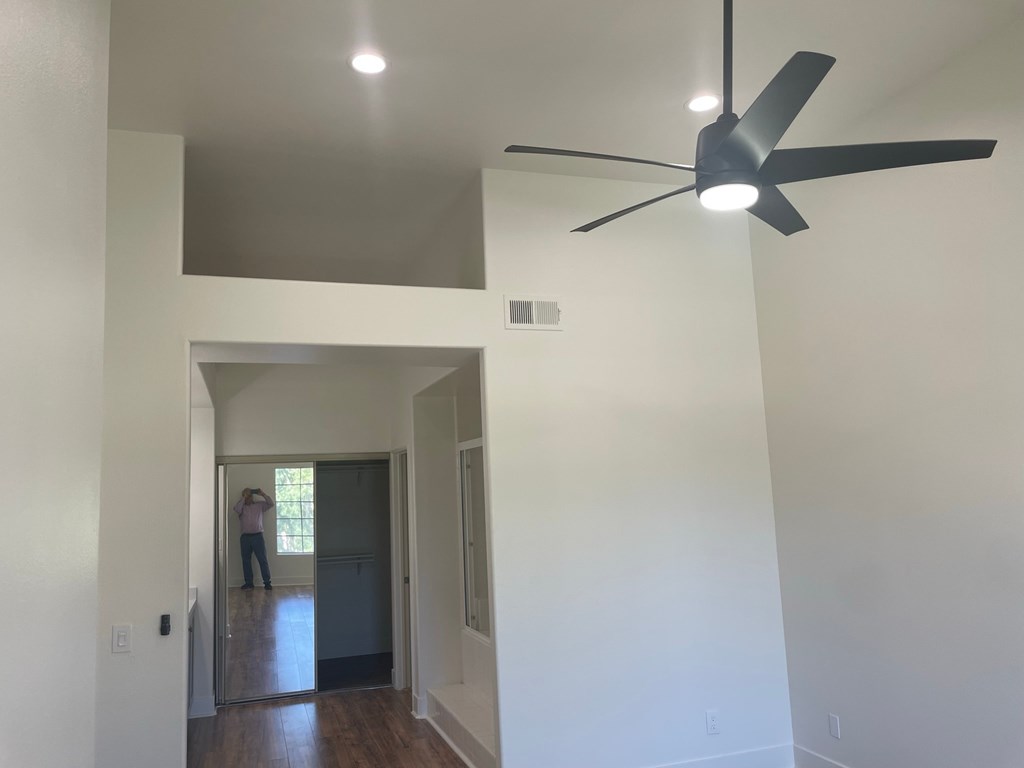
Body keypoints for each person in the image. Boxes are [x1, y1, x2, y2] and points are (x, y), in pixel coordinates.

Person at [234, 487, 274, 591]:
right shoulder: (241, 507)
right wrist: (243, 498)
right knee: (246, 561)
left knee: (262, 560)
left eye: (250, 495)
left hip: (258, 536)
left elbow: (271, 504)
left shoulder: (259, 505)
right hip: (245, 538)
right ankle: (249, 583)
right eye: (247, 495)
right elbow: (237, 509)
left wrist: (262, 494)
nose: (249, 497)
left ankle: (267, 583)